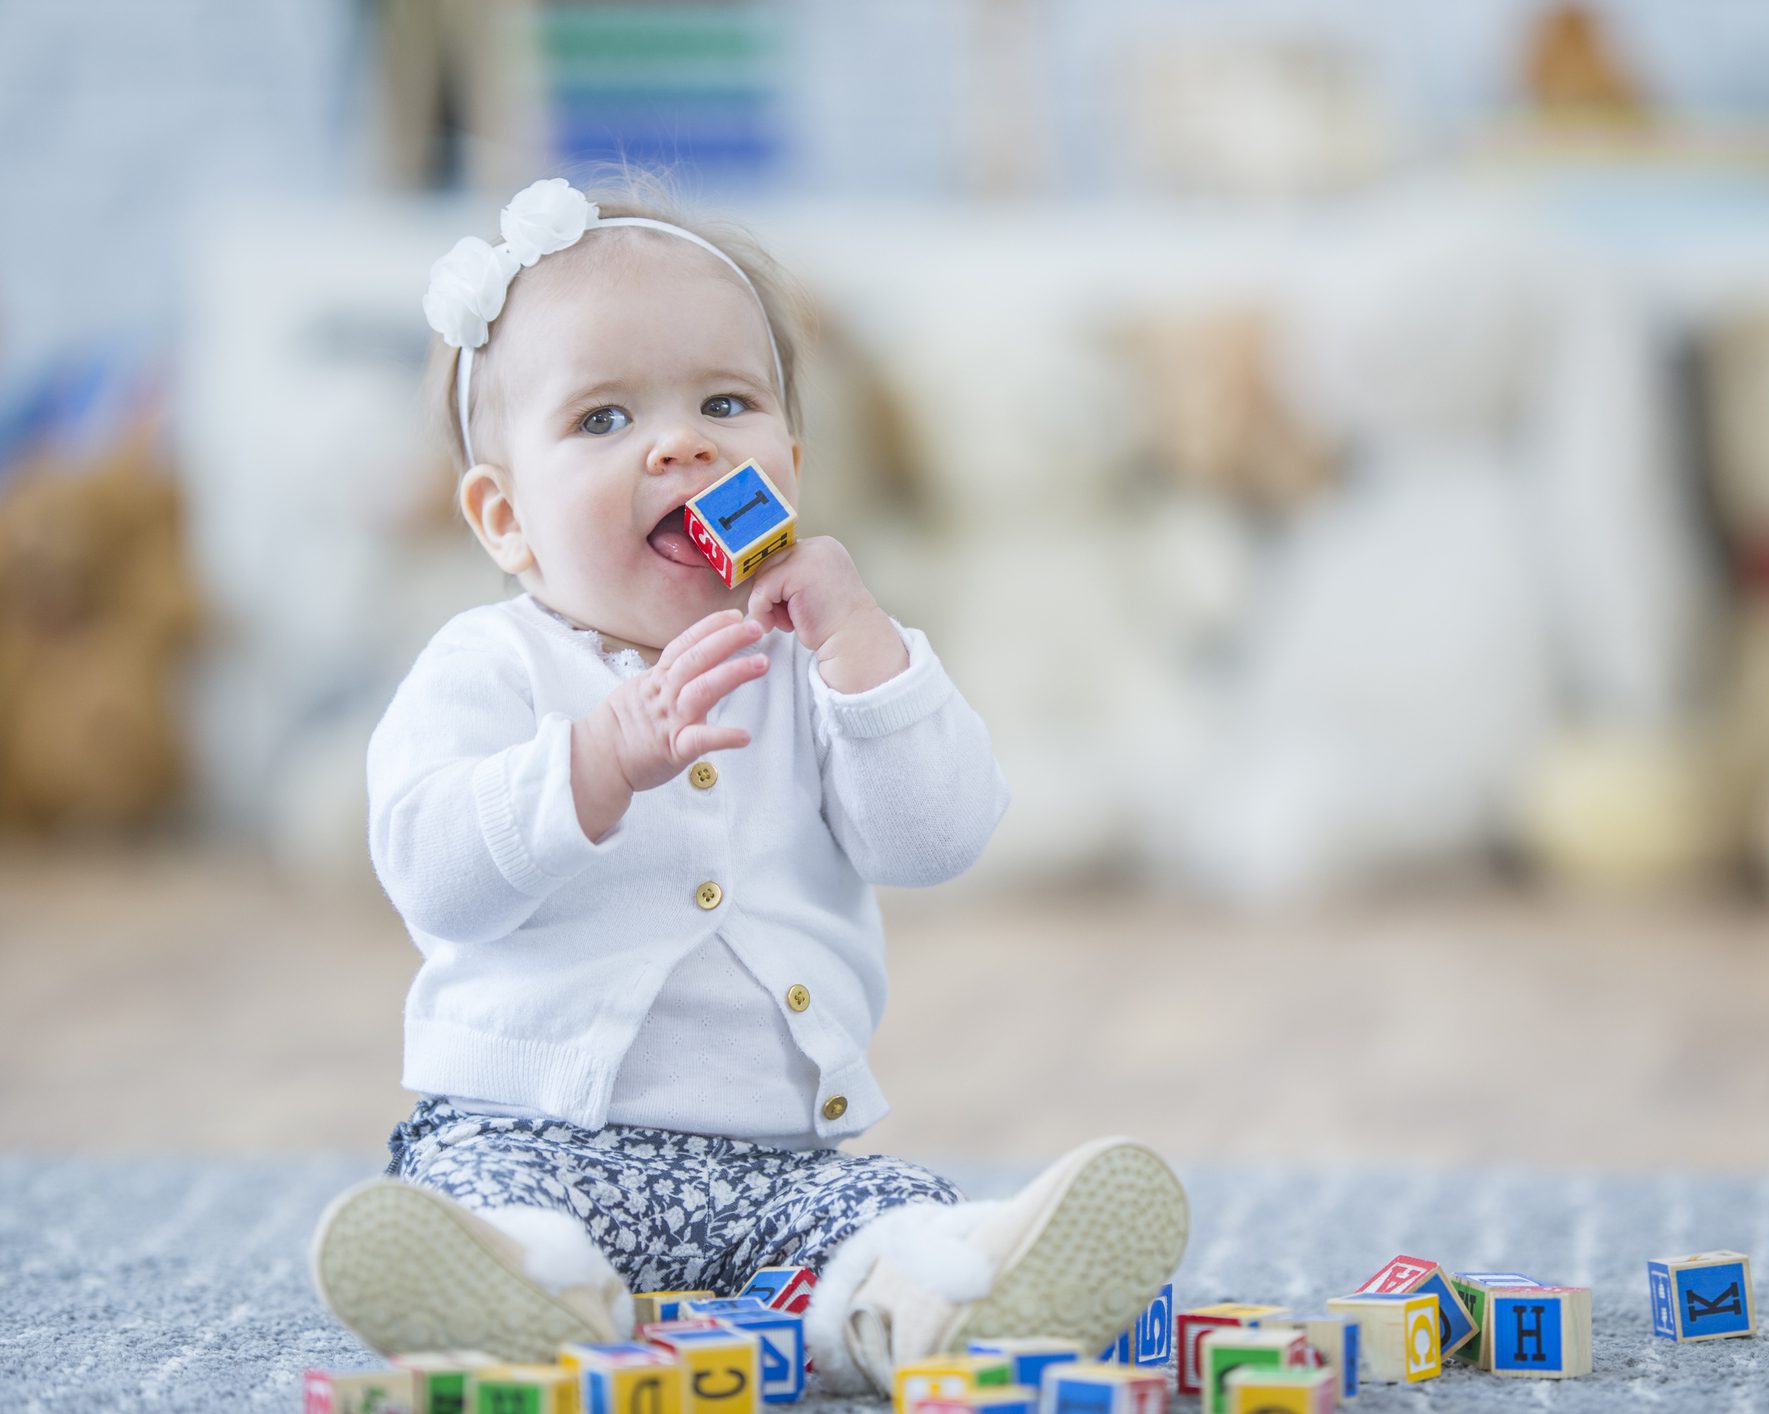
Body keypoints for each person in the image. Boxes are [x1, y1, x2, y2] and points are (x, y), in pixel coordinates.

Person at [306, 172, 1187, 1392]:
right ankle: (529, 1290)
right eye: (604, 420)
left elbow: (938, 836)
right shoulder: (489, 665)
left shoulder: (817, 659)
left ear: (792, 460)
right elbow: (429, 868)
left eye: (727, 401)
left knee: (885, 1210)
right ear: (506, 519)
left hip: (778, 1163)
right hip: (530, 1137)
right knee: (502, 1215)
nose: (682, 442)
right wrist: (599, 761)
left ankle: (934, 1291)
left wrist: (865, 653)